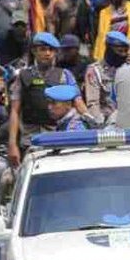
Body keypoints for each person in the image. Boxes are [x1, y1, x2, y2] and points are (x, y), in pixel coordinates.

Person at [7, 33, 78, 167]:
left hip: (58, 140)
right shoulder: (23, 76)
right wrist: (12, 145)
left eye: (51, 50)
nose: (47, 53)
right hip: (29, 141)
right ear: (34, 51)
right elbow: (15, 111)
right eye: (43, 49)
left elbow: (79, 105)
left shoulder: (65, 76)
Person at [83, 32, 128, 125]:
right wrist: (99, 125)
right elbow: (93, 103)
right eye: (120, 51)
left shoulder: (128, 69)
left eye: (125, 51)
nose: (123, 55)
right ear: (109, 50)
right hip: (105, 121)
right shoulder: (95, 71)